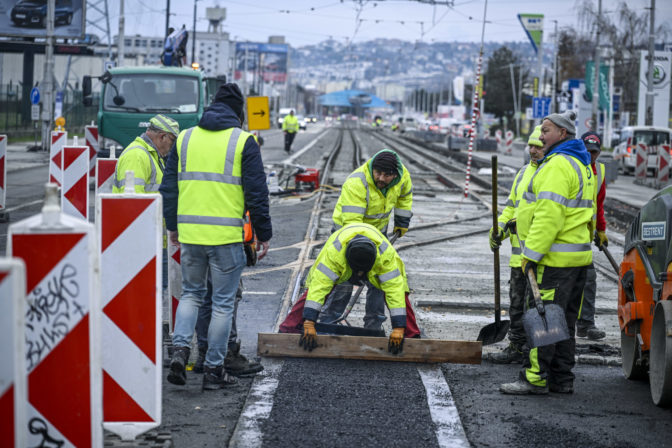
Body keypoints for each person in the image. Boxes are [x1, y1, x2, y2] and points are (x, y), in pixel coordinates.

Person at [160, 83, 272, 391]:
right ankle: (213, 370)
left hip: (191, 234)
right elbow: (257, 192)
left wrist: (173, 226)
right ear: (238, 113)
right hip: (225, 238)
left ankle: (181, 351)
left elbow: (169, 188)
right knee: (222, 304)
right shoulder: (243, 141)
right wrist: (263, 233)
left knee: (191, 295)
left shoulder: (185, 138)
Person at [500, 110, 595, 395]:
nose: (540, 136)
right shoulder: (582, 164)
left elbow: (548, 216)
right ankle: (561, 378)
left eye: (546, 130)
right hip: (577, 258)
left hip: (554, 259)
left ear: (562, 134)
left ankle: (535, 378)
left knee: (543, 318)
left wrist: (532, 253)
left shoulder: (557, 165)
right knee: (564, 321)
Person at [278, 223, 421, 347]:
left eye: (361, 273)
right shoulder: (334, 255)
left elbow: (394, 292)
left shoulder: (386, 259)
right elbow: (318, 289)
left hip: (375, 252)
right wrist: (309, 321)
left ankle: (411, 335)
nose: (359, 277)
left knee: (400, 292)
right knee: (315, 290)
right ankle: (288, 328)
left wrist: (399, 327)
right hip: (343, 243)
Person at [319, 149, 414, 331]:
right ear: (372, 169)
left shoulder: (403, 177)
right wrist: (365, 256)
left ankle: (373, 325)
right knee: (345, 276)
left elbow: (405, 195)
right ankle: (329, 321)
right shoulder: (357, 182)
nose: (381, 178)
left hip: (378, 232)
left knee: (379, 278)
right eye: (378, 173)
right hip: (348, 232)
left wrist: (402, 220)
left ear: (395, 174)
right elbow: (353, 225)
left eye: (387, 175)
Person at [488, 125, 544, 363]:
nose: (533, 150)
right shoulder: (523, 173)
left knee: (538, 307)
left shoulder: (550, 174)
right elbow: (511, 205)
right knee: (517, 304)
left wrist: (515, 221)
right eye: (530, 145)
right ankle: (517, 346)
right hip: (517, 256)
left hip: (540, 255)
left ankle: (536, 350)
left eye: (538, 146)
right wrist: (500, 226)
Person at [576, 132, 607, 340]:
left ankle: (585, 324)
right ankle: (573, 325)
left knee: (588, 279)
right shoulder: (571, 166)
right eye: (587, 151)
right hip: (567, 235)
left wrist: (601, 229)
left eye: (594, 152)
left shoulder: (600, 172)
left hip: (584, 237)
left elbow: (599, 204)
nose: (591, 155)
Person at [113, 114, 179, 194]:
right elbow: (132, 199)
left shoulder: (151, 155)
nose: (172, 146)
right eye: (172, 140)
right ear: (162, 137)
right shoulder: (136, 155)